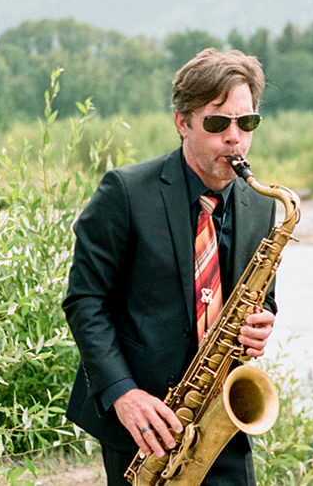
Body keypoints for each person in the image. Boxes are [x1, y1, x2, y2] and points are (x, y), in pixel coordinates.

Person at [63, 48, 277, 485]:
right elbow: (85, 301)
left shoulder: (260, 204)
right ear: (183, 122)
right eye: (217, 123)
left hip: (220, 416)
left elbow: (261, 292)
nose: (234, 138)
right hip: (144, 426)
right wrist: (123, 393)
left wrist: (263, 320)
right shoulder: (125, 192)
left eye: (246, 122)